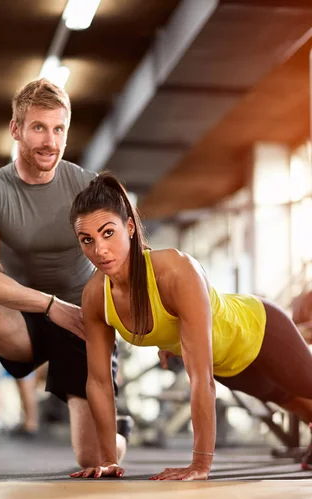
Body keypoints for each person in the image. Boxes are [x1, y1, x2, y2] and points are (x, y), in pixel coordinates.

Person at [0, 79, 131, 477]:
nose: (50, 141)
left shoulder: (86, 187)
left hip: (82, 320)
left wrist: (154, 328)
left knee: (95, 459)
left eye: (59, 130)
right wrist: (50, 306)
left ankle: (117, 429)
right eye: (39, 127)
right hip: (26, 318)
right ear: (16, 129)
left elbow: (127, 258)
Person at [68, 172, 312, 480]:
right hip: (229, 366)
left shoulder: (175, 271)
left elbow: (200, 379)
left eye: (107, 233)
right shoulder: (95, 295)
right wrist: (107, 459)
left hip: (259, 331)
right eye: (86, 240)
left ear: (129, 228)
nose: (99, 250)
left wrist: (200, 464)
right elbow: (100, 382)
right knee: (290, 400)